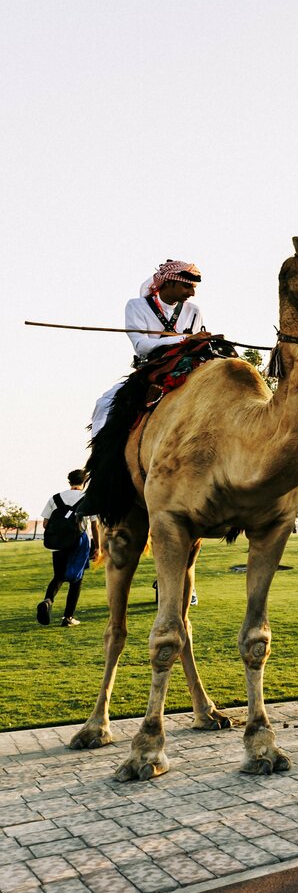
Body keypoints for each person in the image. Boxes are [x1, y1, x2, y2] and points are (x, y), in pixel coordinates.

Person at [91, 259, 208, 436]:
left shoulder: (194, 311)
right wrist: (185, 339)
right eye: (187, 287)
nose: (191, 293)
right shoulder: (136, 306)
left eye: (193, 288)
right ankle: (98, 461)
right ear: (169, 282)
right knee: (104, 404)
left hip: (186, 370)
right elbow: (142, 347)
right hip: (152, 371)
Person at [37, 470, 97, 626]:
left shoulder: (55, 498)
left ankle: (48, 600)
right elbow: (94, 525)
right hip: (79, 544)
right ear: (84, 482)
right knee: (76, 580)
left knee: (58, 576)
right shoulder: (88, 498)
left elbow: (45, 524)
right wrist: (97, 546)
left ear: (69, 481)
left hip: (58, 544)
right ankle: (68, 617)